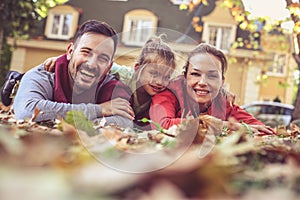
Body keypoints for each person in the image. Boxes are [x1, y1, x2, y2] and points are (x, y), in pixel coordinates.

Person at [13, 20, 134, 128]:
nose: (92, 64)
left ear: (109, 67)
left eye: (103, 58)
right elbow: (27, 111)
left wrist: (71, 125)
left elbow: (124, 122)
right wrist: (99, 110)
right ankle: (14, 80)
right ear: (70, 51)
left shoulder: (113, 87)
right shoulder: (43, 74)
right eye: (86, 52)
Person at [43, 35, 177, 130]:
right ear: (138, 68)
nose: (160, 81)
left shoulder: (162, 94)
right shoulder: (123, 75)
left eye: (166, 77)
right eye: (154, 74)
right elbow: (94, 64)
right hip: (97, 107)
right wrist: (61, 60)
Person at [149, 43, 274, 135]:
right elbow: (162, 125)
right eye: (195, 74)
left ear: (222, 82)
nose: (203, 82)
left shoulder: (222, 102)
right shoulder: (169, 93)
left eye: (212, 76)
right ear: (185, 76)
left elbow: (262, 129)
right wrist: (217, 124)